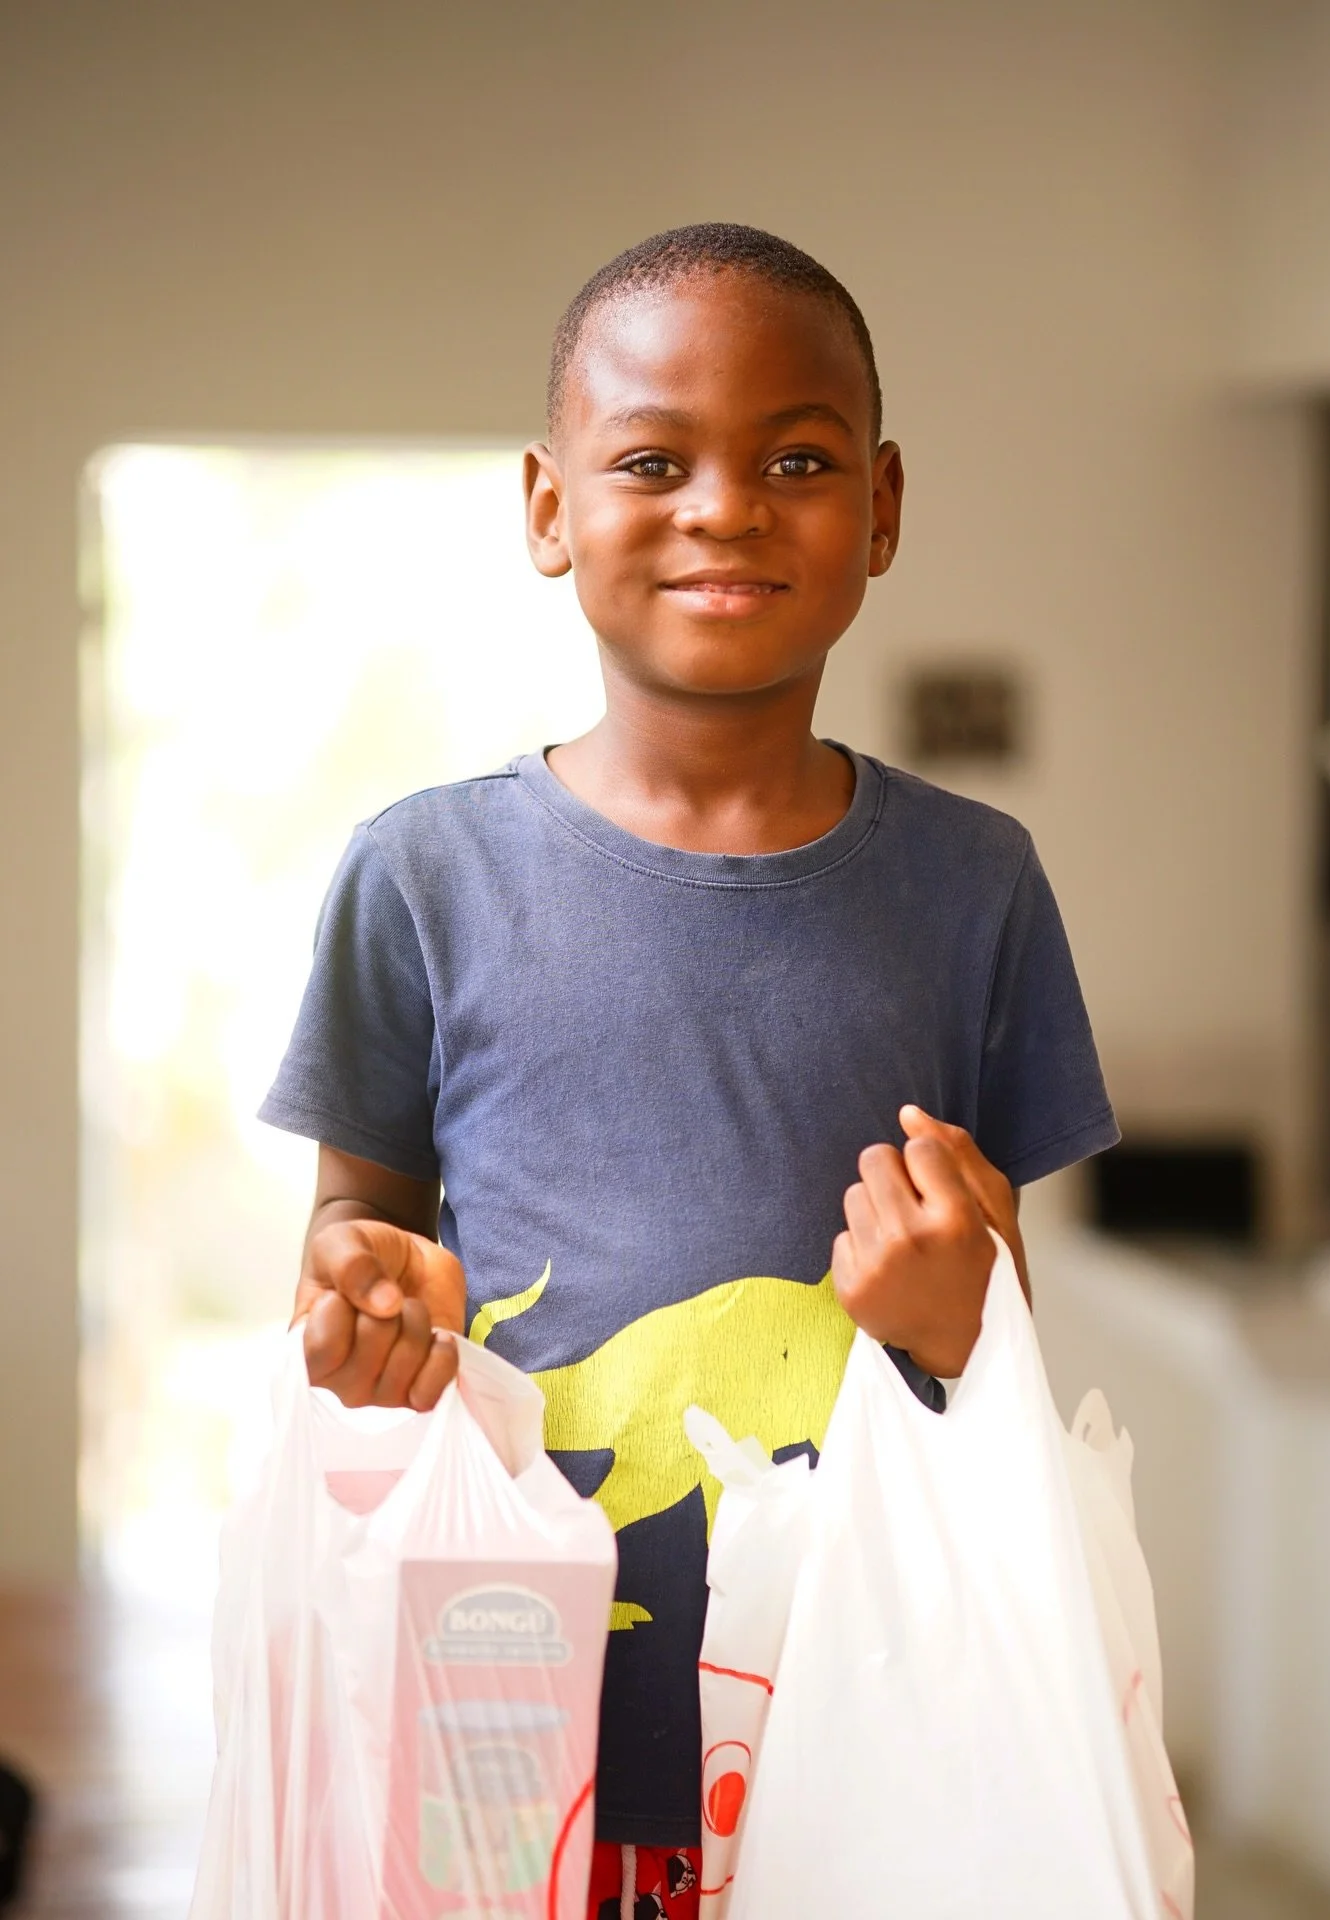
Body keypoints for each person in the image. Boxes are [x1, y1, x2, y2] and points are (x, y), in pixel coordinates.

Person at [261, 222, 1118, 1918]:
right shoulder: (423, 877)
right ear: (546, 505)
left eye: (795, 459)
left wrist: (961, 1309)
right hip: (501, 1712)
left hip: (856, 1721)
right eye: (654, 460)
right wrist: (357, 1289)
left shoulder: (976, 882)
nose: (726, 505)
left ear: (879, 507)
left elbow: (999, 1304)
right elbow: (357, 1228)